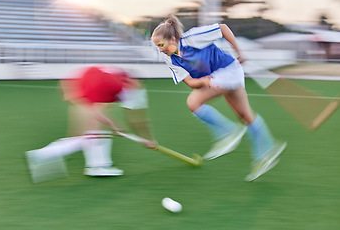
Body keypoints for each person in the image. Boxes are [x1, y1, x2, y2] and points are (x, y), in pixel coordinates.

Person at [151, 15, 286, 181]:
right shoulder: (170, 58)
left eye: (161, 45)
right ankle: (266, 152)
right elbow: (191, 82)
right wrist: (203, 80)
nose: (160, 49)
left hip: (229, 70)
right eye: (157, 46)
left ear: (172, 39)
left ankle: (228, 132)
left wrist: (239, 52)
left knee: (193, 102)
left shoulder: (193, 38)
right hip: (219, 77)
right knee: (245, 116)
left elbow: (222, 28)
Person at [26, 65, 156, 178]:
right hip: (83, 86)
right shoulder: (120, 85)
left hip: (75, 80)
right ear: (135, 82)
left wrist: (115, 126)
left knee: (93, 132)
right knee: (88, 135)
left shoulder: (117, 78)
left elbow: (106, 108)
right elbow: (136, 120)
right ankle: (41, 155)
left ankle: (98, 165)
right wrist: (146, 138)